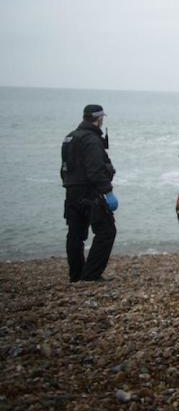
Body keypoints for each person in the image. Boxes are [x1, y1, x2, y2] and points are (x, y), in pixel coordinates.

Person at [60, 104, 117, 282]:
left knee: (75, 234)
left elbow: (64, 168)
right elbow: (95, 170)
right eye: (102, 118)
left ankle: (76, 275)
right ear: (98, 118)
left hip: (72, 191)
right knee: (107, 231)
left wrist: (70, 186)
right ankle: (91, 275)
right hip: (91, 193)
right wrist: (107, 192)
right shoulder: (92, 140)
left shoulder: (70, 137)